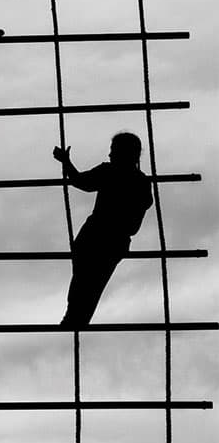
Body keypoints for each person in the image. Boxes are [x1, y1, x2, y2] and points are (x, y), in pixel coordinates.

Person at [53, 133, 153, 327]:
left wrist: (66, 162)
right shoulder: (140, 182)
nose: (109, 155)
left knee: (83, 284)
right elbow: (135, 222)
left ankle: (73, 318)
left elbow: (81, 181)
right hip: (113, 241)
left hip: (95, 237)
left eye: (113, 150)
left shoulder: (110, 172)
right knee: (91, 286)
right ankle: (76, 318)